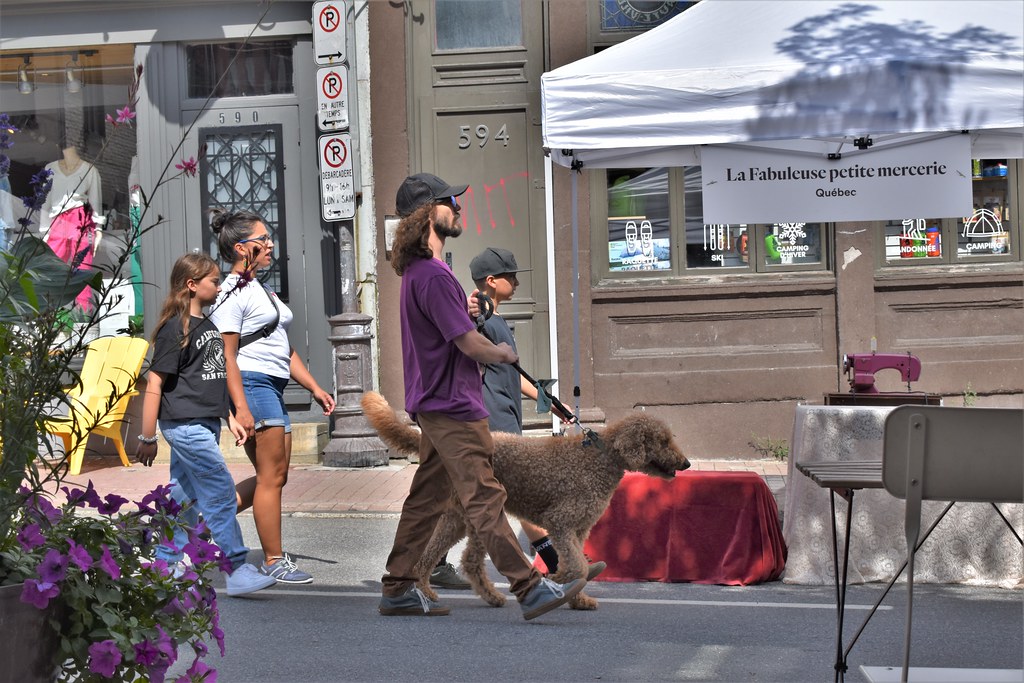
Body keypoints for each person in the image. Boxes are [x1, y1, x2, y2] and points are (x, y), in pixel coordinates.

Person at [378, 172, 586, 620]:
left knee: (426, 501)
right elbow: (469, 346)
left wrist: (466, 312)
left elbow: (449, 330)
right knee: (486, 498)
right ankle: (530, 587)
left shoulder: (424, 273)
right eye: (452, 200)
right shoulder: (433, 275)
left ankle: (397, 587)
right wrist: (503, 351)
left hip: (437, 404)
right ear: (429, 212)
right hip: (453, 406)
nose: (459, 207)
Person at [208, 208, 336, 585]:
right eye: (262, 240)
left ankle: (200, 528)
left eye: (269, 238)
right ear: (239, 247)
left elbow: (282, 345)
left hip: (272, 384)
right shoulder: (231, 293)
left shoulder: (260, 289)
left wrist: (313, 386)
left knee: (275, 474)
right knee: (270, 474)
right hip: (251, 383)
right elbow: (227, 354)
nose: (269, 245)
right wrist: (240, 408)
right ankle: (273, 560)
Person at [137, 252, 276, 597]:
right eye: (213, 280)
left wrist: (228, 416)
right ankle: (237, 568)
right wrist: (147, 435)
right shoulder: (175, 329)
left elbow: (208, 378)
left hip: (204, 422)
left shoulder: (207, 326)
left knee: (183, 496)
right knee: (220, 491)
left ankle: (167, 561)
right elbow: (154, 382)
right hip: (184, 425)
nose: (218, 285)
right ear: (191, 285)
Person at [468, 246, 605, 580]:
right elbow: (470, 312)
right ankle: (559, 562)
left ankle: (440, 562)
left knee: (483, 498)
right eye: (510, 276)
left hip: (508, 414)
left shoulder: (499, 320)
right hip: (494, 418)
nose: (515, 282)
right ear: (490, 281)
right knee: (515, 494)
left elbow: (515, 375)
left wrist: (551, 403)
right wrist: (475, 306)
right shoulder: (484, 318)